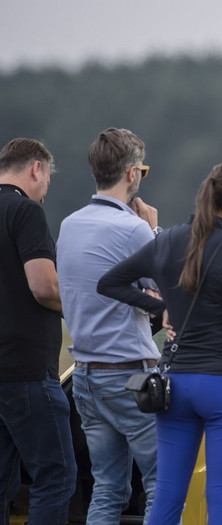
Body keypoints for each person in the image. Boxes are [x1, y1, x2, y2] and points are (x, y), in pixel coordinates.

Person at [97, 161, 222, 524]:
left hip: (175, 386)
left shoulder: (167, 242)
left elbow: (110, 283)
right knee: (221, 501)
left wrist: (161, 310)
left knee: (167, 499)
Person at [57, 128, 162, 524]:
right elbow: (170, 283)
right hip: (130, 374)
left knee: (107, 489)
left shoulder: (70, 225)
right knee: (162, 485)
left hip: (85, 375)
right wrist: (154, 230)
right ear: (132, 174)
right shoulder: (133, 229)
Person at [0, 138, 77, 525]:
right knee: (56, 477)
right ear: (36, 169)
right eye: (47, 179)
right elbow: (44, 286)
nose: (46, 190)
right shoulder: (25, 212)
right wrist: (81, 310)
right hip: (26, 371)